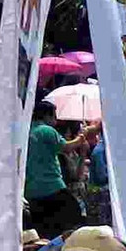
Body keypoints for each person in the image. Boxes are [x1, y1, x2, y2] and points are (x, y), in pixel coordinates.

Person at [26, 102, 95, 239]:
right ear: (47, 116)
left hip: (31, 191)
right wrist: (82, 136)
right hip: (52, 186)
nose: (56, 121)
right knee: (74, 219)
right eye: (54, 116)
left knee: (46, 231)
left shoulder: (27, 131)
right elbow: (67, 147)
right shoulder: (46, 130)